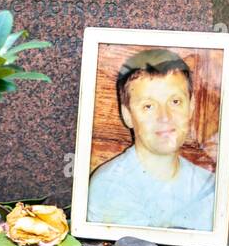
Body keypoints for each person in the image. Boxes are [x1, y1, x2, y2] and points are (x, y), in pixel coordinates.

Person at [87, 48, 215, 230]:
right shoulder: (110, 186)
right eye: (148, 106)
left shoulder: (209, 185)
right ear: (128, 115)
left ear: (192, 106)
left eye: (175, 102)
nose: (164, 117)